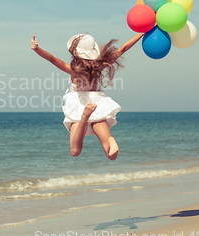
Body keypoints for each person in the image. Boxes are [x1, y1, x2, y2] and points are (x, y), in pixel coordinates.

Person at [31, 32, 144, 160]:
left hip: (79, 106)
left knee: (75, 151)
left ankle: (84, 118)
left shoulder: (73, 70)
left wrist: (37, 49)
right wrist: (142, 32)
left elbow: (52, 59)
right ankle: (110, 140)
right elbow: (123, 48)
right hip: (97, 105)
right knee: (111, 155)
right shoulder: (99, 67)